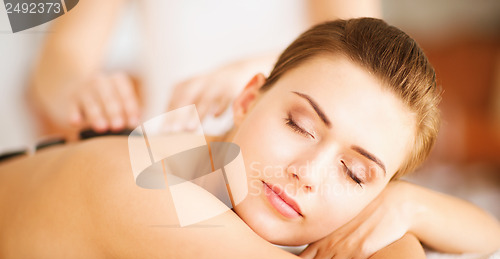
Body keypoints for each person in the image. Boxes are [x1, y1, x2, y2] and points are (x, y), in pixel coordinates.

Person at [1, 18, 499, 259]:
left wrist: (406, 204)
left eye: (353, 172)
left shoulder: (217, 174)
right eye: (298, 124)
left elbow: (490, 237)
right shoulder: (154, 192)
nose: (307, 173)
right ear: (247, 98)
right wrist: (384, 199)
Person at [28, 0, 382, 140]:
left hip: (293, 151)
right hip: (173, 151)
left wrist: (255, 75)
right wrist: (78, 89)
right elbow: (62, 57)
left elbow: (360, 53)